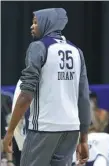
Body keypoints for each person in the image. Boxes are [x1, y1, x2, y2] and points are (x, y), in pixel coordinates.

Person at [3, 8, 91, 166]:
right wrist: (83, 138)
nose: (32, 26)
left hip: (43, 127)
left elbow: (26, 94)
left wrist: (9, 131)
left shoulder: (38, 47)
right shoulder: (77, 52)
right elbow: (84, 97)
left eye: (36, 22)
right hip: (70, 129)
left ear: (47, 23)